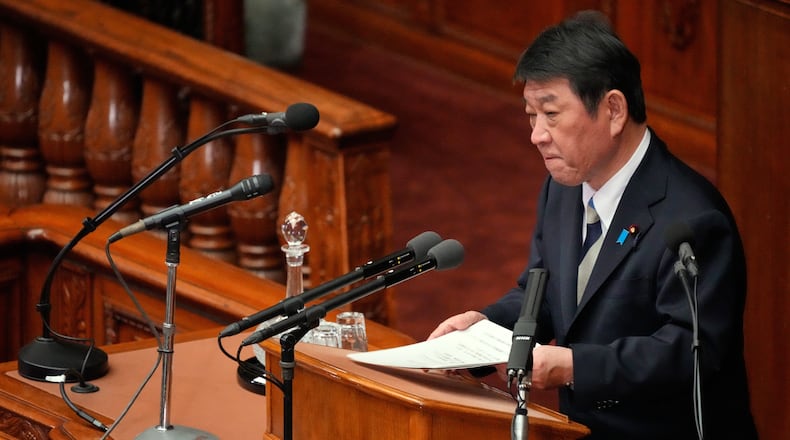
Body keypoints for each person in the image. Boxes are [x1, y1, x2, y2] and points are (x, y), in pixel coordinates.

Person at [428, 10, 757, 440]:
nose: (537, 135)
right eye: (531, 115)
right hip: (580, 430)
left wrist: (576, 367)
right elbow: (542, 293)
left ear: (614, 110)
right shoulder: (562, 189)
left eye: (550, 114)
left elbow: (690, 352)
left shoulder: (693, 219)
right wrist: (482, 330)